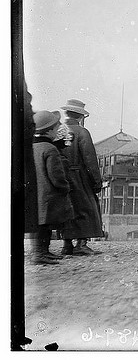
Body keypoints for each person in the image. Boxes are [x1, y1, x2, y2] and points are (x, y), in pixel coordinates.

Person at [59, 99, 103, 255]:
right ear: (80, 116)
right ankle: (81, 244)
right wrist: (96, 181)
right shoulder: (82, 132)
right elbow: (90, 159)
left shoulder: (59, 130)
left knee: (68, 209)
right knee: (86, 208)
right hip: (80, 176)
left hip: (62, 176)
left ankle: (67, 245)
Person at [31, 110, 74, 264]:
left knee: (39, 225)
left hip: (36, 194)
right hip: (49, 195)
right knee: (46, 226)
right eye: (56, 128)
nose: (57, 131)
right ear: (49, 130)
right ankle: (41, 254)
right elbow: (56, 175)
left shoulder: (33, 147)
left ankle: (41, 252)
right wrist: (65, 187)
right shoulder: (50, 149)